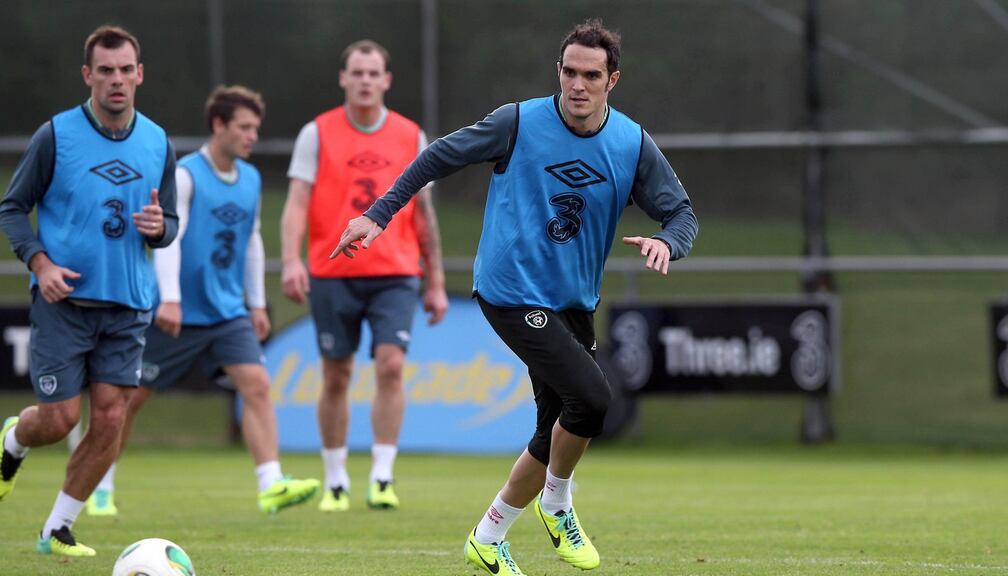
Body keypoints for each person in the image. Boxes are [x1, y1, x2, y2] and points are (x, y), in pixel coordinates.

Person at [334, 20, 698, 575]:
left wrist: (668, 242)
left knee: (553, 424)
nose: (578, 85)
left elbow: (682, 212)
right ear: (559, 71)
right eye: (569, 72)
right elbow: (437, 157)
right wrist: (378, 215)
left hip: (573, 302)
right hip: (510, 292)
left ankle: (489, 534)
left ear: (612, 80)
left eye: (591, 75)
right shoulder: (519, 121)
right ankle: (556, 502)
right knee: (594, 400)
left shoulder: (631, 143)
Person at [85, 85, 320, 518]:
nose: (252, 136)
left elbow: (251, 241)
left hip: (228, 312)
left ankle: (271, 484)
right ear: (218, 125)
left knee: (257, 385)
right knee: (127, 400)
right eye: (244, 128)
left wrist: (256, 304)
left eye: (256, 128)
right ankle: (100, 485)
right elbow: (168, 242)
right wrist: (170, 299)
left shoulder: (249, 178)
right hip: (176, 314)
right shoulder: (187, 175)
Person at [0, 26, 179, 557]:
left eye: (126, 69)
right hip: (64, 302)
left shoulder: (158, 140)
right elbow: (12, 208)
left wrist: (158, 227)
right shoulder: (55, 135)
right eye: (106, 70)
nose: (117, 80)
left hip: (128, 303)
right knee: (58, 419)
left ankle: (56, 529)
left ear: (140, 74)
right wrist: (40, 262)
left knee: (110, 419)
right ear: (88, 76)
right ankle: (13, 439)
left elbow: (169, 223)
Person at [281, 39, 448, 512]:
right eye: (357, 72)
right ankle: (335, 480)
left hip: (396, 271)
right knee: (336, 375)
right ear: (343, 78)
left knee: (391, 366)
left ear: (387, 80)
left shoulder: (410, 135)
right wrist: (291, 259)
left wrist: (434, 281)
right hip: (333, 271)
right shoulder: (317, 133)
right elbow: (295, 204)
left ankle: (382, 475)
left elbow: (424, 215)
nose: (365, 81)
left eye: (374, 73)